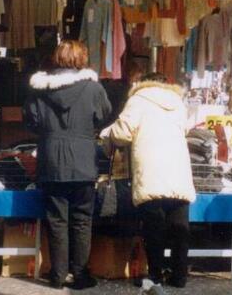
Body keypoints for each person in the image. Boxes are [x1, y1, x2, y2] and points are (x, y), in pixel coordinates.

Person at [23, 41, 111, 290]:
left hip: (51, 160)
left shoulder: (39, 89)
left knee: (56, 219)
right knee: (83, 219)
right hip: (83, 160)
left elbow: (31, 120)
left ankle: (58, 275)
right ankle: (81, 274)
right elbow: (104, 114)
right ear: (82, 59)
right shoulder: (93, 88)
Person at [102, 72, 195, 288]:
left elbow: (123, 133)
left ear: (142, 84)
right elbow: (186, 128)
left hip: (151, 167)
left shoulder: (138, 100)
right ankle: (179, 275)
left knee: (154, 226)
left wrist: (109, 134)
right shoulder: (178, 102)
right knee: (179, 225)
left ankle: (155, 275)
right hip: (178, 167)